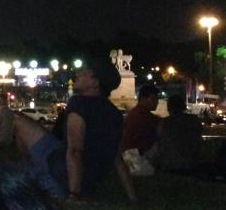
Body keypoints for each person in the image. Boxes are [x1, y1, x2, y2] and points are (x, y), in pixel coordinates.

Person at [13, 58, 136, 202]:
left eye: (85, 73)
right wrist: (132, 197)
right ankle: (33, 169)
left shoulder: (79, 103)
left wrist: (74, 195)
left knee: (18, 121)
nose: (78, 74)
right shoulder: (115, 114)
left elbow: (75, 151)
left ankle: (33, 169)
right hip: (87, 184)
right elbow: (118, 160)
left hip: (61, 175)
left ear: (95, 83)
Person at [154, 94, 202, 172]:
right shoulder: (194, 120)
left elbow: (160, 141)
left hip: (170, 163)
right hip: (192, 162)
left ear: (169, 107)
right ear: (183, 106)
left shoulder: (165, 122)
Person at [123, 83, 161, 161]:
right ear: (143, 99)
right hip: (140, 157)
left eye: (157, 99)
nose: (157, 102)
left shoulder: (134, 113)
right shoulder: (145, 117)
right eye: (154, 99)